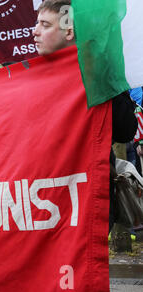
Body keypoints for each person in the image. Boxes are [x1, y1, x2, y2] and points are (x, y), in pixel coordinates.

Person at [33, 0, 138, 232]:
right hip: (42, 193)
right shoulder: (28, 76)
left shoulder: (99, 73)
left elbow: (125, 131)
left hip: (89, 191)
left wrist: (106, 83)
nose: (35, 31)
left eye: (44, 25)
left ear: (69, 31)